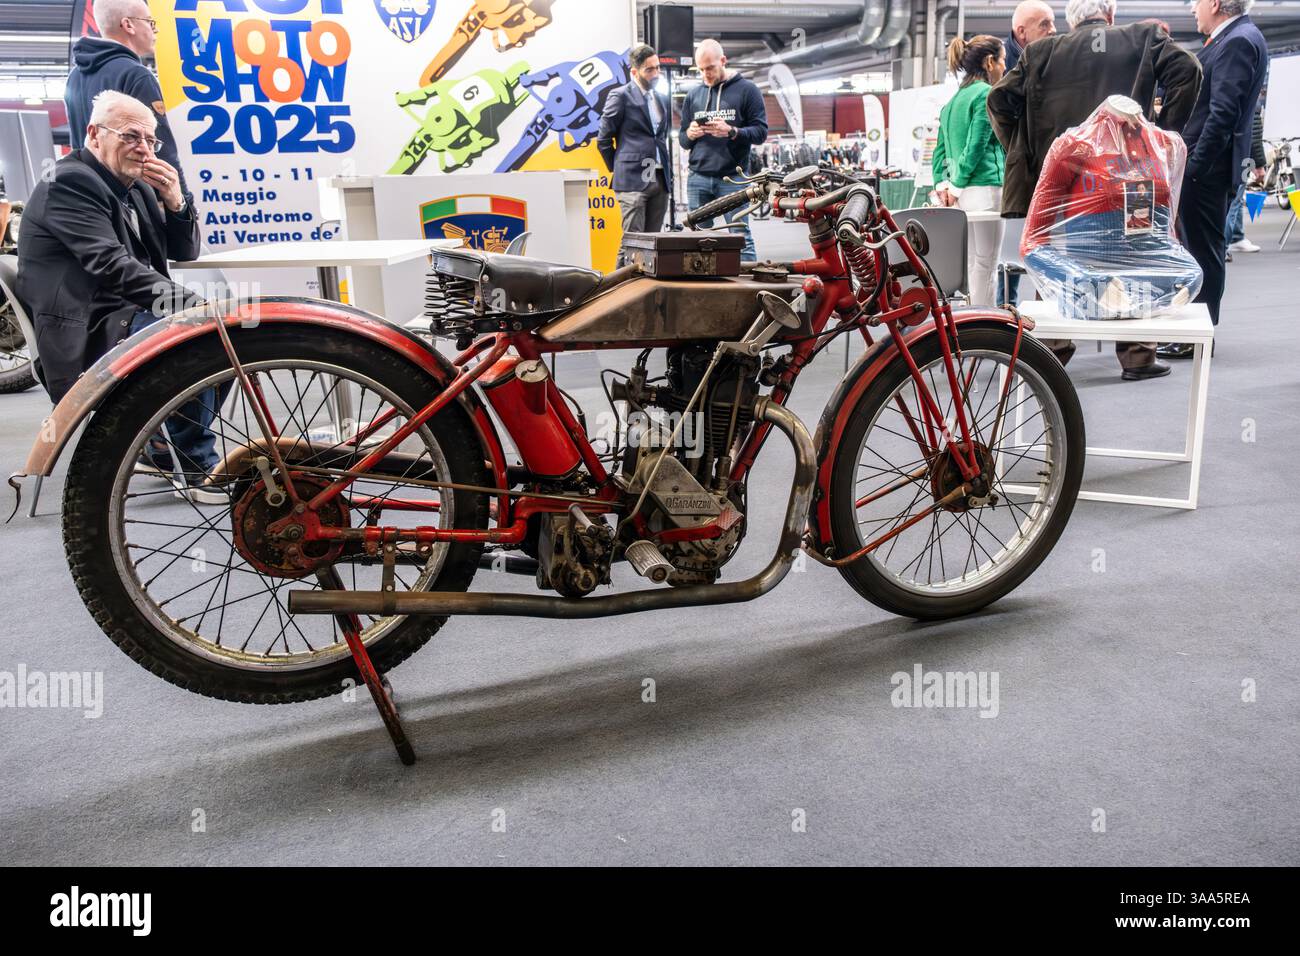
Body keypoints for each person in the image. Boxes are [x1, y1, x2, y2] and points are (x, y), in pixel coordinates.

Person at [16, 92, 225, 503]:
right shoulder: (70, 182)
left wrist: (176, 201)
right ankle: (197, 465)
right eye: (131, 135)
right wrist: (192, 307)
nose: (144, 148)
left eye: (150, 139)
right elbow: (111, 265)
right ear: (94, 133)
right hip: (89, 330)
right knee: (200, 334)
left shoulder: (136, 186)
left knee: (225, 334)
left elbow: (185, 252)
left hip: (125, 315)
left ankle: (164, 449)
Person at [988, 0, 1202, 380]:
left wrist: (1023, 149)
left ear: (1070, 20)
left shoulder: (1042, 52)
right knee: (1137, 258)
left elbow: (998, 99)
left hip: (1064, 179)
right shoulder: (1143, 38)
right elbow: (1189, 69)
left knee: (1055, 253)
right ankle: (1137, 357)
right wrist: (1161, 134)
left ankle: (1052, 352)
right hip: (1130, 179)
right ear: (1110, 15)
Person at [1160, 0, 1268, 359]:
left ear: (1216, 3)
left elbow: (1223, 113)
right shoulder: (1233, 38)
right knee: (1199, 248)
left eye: (1197, 3)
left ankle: (1199, 335)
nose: (1193, 10)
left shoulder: (1238, 40)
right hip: (1209, 167)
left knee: (1204, 251)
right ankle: (1196, 331)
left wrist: (1195, 166)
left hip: (1207, 170)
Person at [66, 0, 190, 195]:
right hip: (133, 199)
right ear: (128, 25)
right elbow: (162, 151)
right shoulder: (136, 74)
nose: (154, 30)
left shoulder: (74, 77)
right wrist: (184, 202)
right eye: (150, 22)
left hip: (91, 194)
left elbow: (76, 143)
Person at [933, 35, 1006, 306]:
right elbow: (975, 147)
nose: (1003, 68)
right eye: (1002, 61)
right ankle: (984, 328)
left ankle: (970, 326)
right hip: (985, 189)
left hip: (961, 196)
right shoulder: (985, 94)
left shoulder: (952, 102)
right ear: (989, 62)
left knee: (974, 262)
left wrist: (945, 186)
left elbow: (939, 153)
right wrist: (957, 184)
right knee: (986, 264)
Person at [678, 39, 768, 262]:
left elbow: (761, 133)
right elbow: (682, 139)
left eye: (710, 68)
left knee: (740, 236)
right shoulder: (693, 95)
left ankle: (749, 293)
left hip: (733, 179)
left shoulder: (747, 90)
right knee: (698, 238)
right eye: (700, 70)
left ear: (723, 61)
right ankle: (701, 291)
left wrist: (733, 131)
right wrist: (689, 134)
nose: (706, 74)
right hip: (698, 178)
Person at [598, 44, 672, 250]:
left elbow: (660, 136)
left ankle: (648, 284)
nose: (656, 74)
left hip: (659, 179)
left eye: (657, 68)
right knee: (632, 245)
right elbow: (603, 139)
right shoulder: (620, 96)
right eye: (649, 70)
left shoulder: (661, 97)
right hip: (632, 181)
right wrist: (620, 167)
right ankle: (619, 283)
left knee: (654, 246)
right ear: (634, 72)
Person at [1223, 95, 1267, 258]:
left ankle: (1236, 237)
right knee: (1235, 200)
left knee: (1237, 198)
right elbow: (1254, 133)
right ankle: (1224, 245)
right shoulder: (1251, 96)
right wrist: (1260, 164)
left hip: (1233, 155)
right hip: (1243, 158)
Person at [1004, 0, 1057, 71]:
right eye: (1044, 24)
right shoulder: (998, 64)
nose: (1053, 30)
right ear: (1022, 32)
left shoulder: (1060, 56)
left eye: (1052, 23)